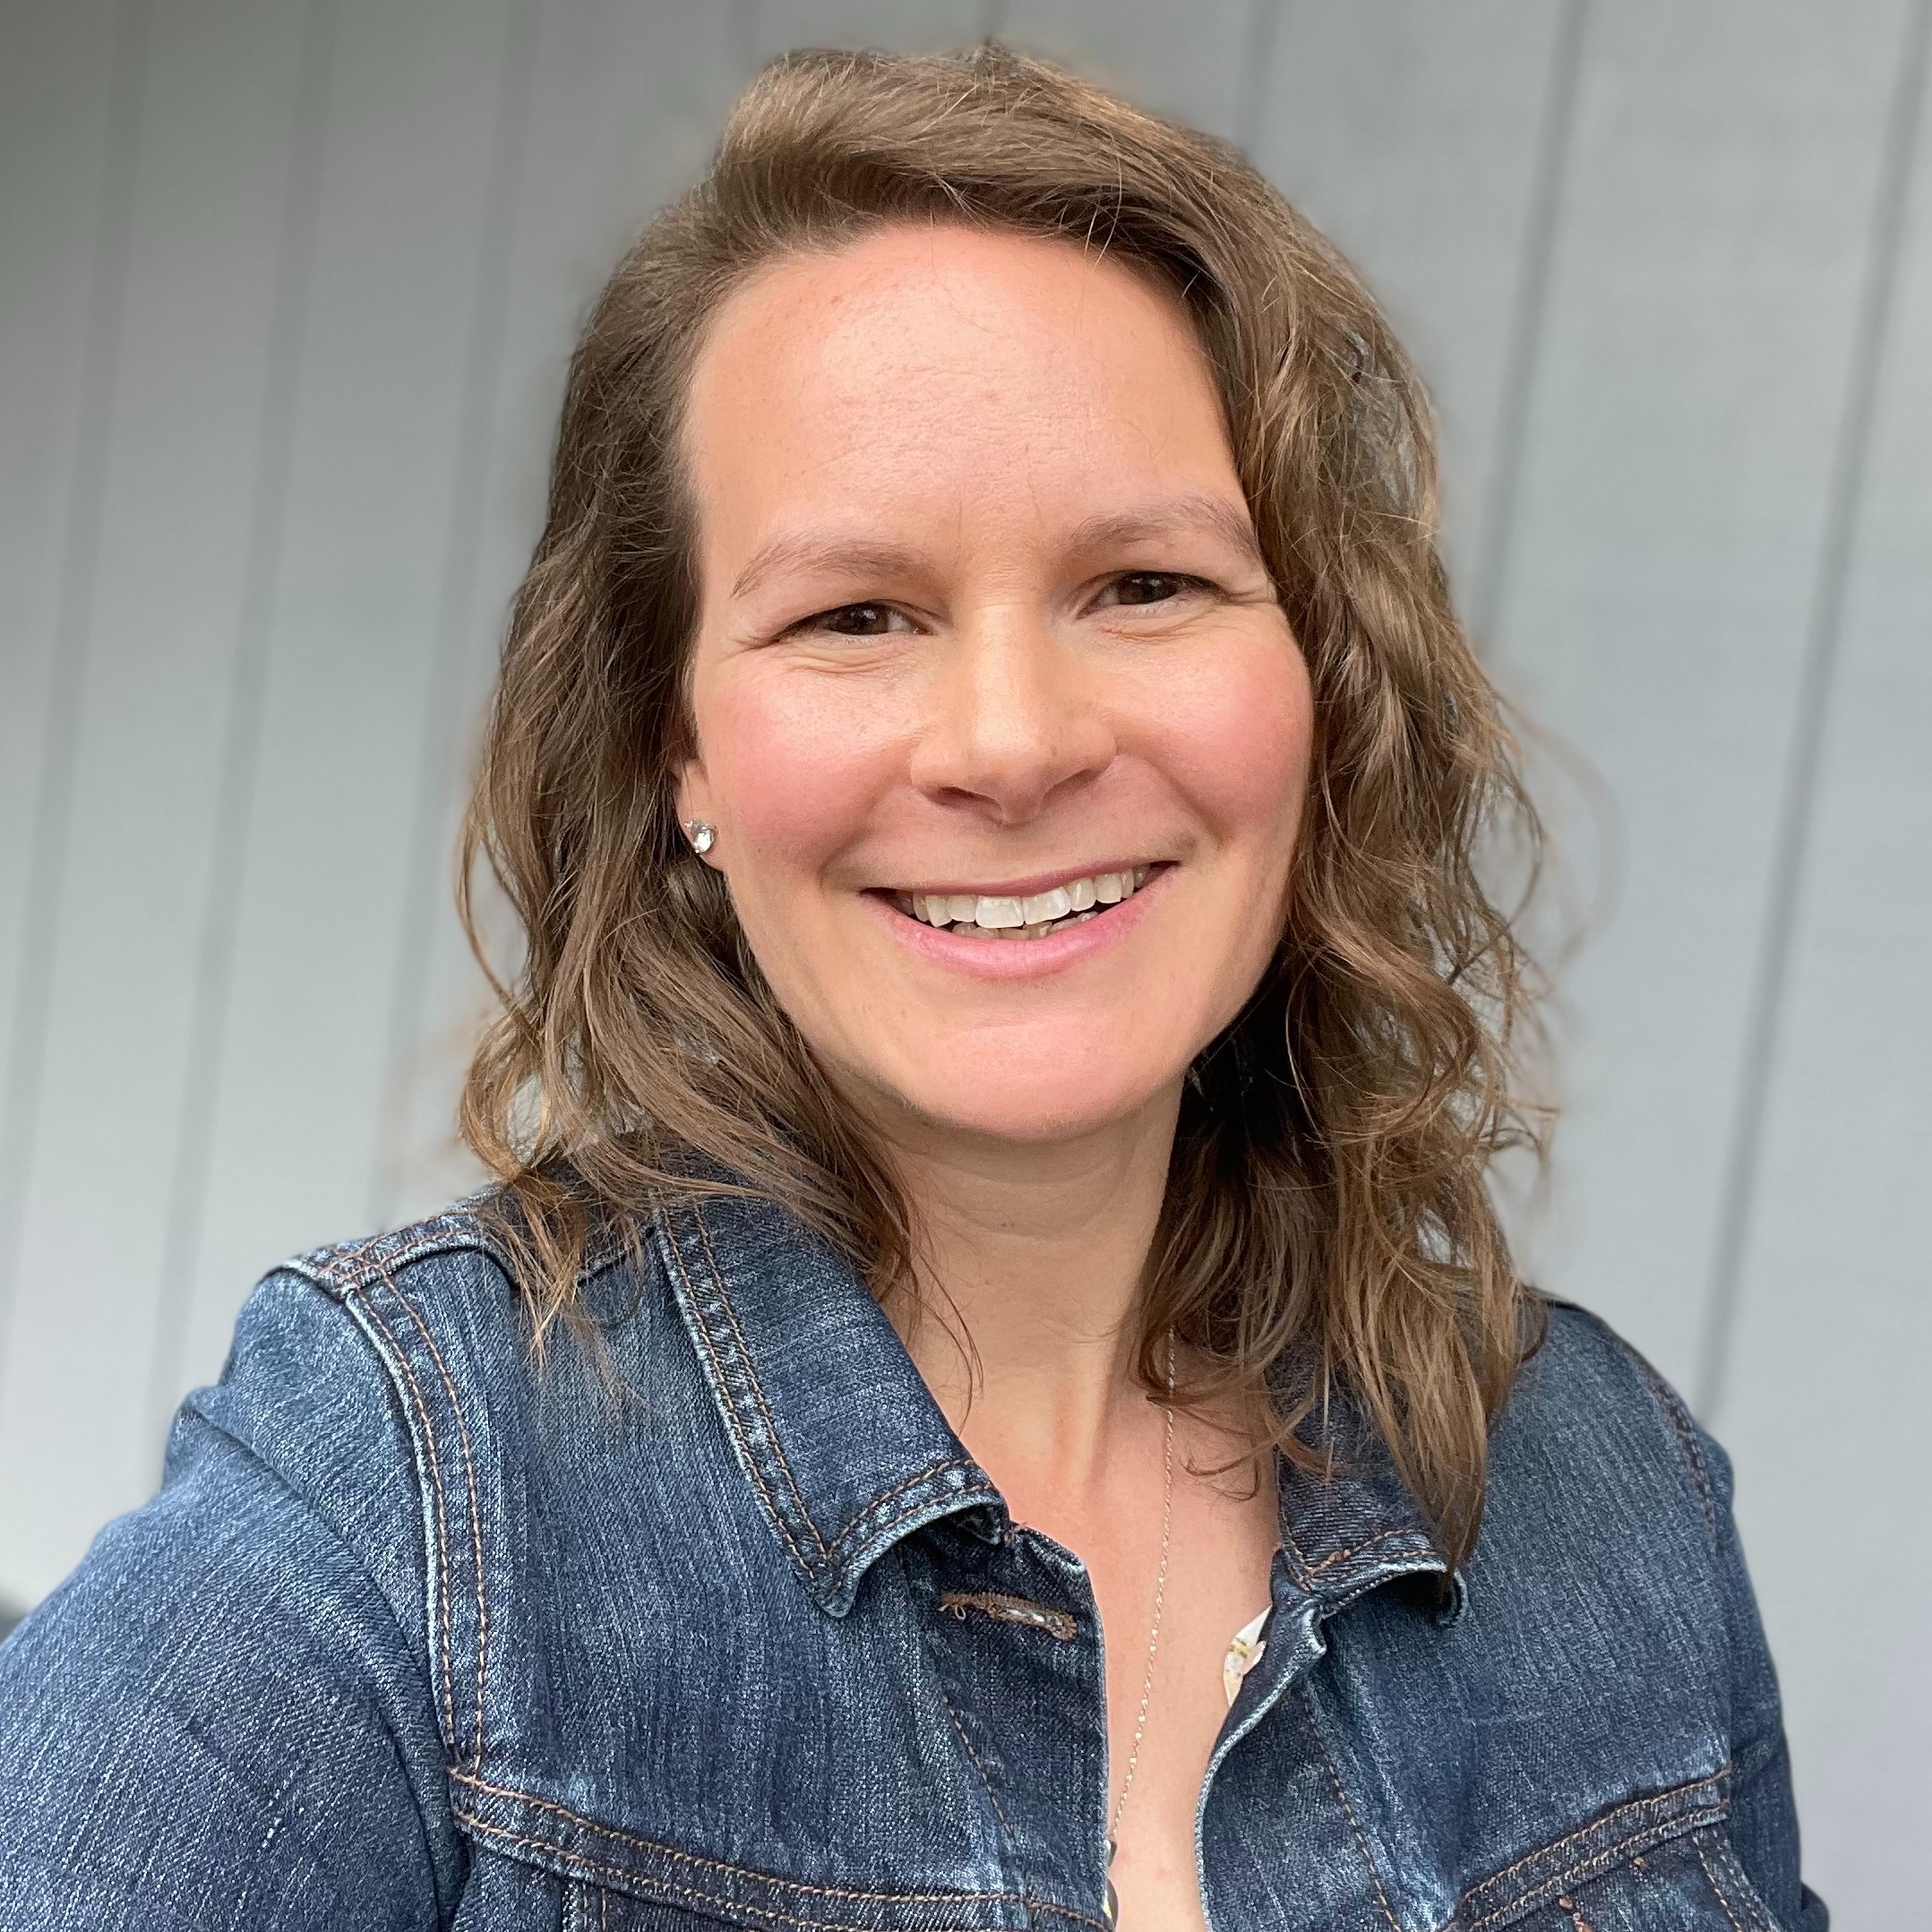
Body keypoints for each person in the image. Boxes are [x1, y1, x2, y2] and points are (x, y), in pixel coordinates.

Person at [0, 43, 1823, 1932]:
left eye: (1141, 583)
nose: (1010, 742)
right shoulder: (412, 1492)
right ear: (677, 749)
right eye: (852, 615)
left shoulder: (1605, 1487)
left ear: (1320, 685)